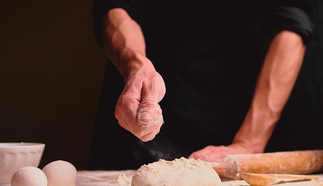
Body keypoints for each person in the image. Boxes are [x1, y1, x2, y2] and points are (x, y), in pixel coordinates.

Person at [89, 0, 323, 170]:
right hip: (153, 101)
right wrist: (136, 65)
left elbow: (292, 17)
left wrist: (249, 143)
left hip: (258, 104)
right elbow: (117, 6)